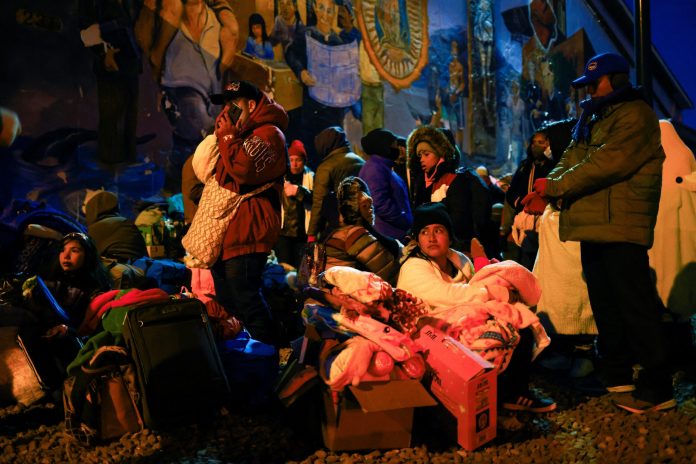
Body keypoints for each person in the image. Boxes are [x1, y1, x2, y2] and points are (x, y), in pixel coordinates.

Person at [533, 52, 674, 413]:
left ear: (616, 79)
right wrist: (549, 184)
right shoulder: (595, 116)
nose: (590, 90)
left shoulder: (636, 115)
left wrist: (555, 186)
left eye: (595, 83)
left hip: (622, 225)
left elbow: (605, 164)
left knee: (635, 304)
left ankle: (658, 385)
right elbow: (571, 157)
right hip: (594, 223)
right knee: (606, 304)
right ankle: (617, 374)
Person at [397, 203, 555, 413]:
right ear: (418, 240)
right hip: (430, 331)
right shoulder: (413, 267)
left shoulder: (459, 259)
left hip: (462, 320)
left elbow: (474, 286)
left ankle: (513, 393)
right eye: (424, 232)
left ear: (449, 236)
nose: (431, 238)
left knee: (519, 323)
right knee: (494, 339)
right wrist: (494, 292)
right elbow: (447, 295)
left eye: (438, 230)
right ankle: (497, 398)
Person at [207, 80, 289, 346]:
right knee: (228, 304)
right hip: (227, 232)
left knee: (246, 300)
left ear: (252, 105)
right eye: (225, 107)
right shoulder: (237, 136)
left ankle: (269, 354)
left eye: (234, 106)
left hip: (249, 230)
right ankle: (243, 357)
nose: (227, 113)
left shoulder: (269, 134)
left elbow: (243, 170)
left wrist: (227, 137)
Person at [284, 0, 361, 164]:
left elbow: (346, 75)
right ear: (315, 9)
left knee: (332, 147)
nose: (325, 14)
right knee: (310, 146)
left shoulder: (338, 42)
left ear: (334, 13)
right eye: (321, 8)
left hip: (333, 110)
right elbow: (290, 53)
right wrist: (301, 71)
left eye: (329, 10)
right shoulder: (307, 35)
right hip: (312, 106)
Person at [407, 125, 492, 255]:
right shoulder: (424, 183)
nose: (421, 159)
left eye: (426, 154)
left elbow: (459, 222)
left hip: (455, 249)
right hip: (433, 247)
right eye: (419, 156)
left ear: (440, 153)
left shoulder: (456, 180)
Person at [79, 0, 142, 165]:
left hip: (130, 63)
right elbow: (84, 32)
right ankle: (111, 165)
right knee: (111, 118)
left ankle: (128, 162)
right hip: (109, 67)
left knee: (129, 118)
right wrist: (104, 53)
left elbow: (135, 24)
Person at [323, 177, 400, 285]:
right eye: (364, 206)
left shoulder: (332, 234)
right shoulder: (353, 234)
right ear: (352, 210)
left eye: (370, 205)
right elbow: (390, 273)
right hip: (349, 292)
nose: (371, 210)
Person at [307, 126, 365, 240]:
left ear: (325, 145)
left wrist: (312, 233)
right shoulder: (360, 161)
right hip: (362, 222)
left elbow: (319, 202)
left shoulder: (326, 167)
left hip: (337, 226)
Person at [358, 128, 412, 242]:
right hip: (387, 234)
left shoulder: (382, 166)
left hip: (391, 233)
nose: (397, 149)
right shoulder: (374, 169)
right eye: (394, 145)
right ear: (384, 147)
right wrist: (405, 220)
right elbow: (379, 203)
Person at [277, 140, 314, 268]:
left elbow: (318, 199)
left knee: (302, 271)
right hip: (283, 234)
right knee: (284, 269)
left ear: (304, 161)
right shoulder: (280, 177)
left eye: (298, 160)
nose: (294, 164)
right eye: (291, 160)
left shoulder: (311, 177)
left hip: (303, 234)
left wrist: (299, 191)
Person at [83, 190, 147, 262]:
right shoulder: (127, 223)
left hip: (112, 266)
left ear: (90, 210)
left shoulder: (94, 230)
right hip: (138, 266)